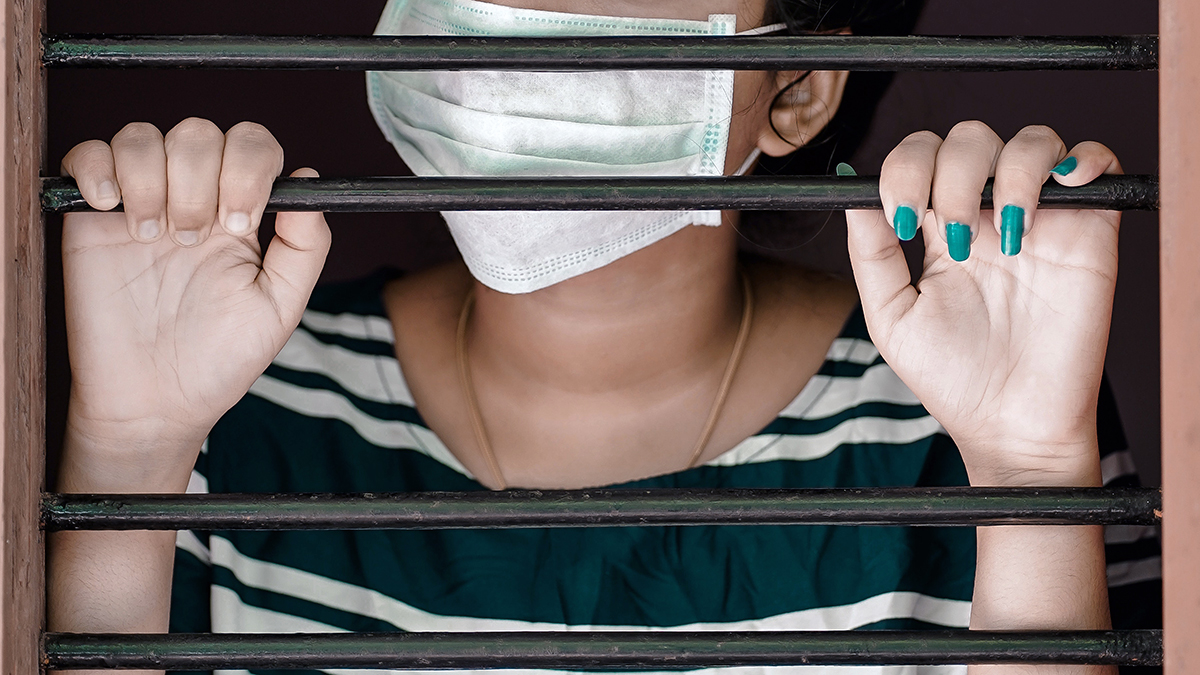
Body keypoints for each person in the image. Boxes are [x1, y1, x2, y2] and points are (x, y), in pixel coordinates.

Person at [48, 0, 1161, 673]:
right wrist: (131, 453)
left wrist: (1027, 477)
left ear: (799, 91)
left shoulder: (966, 422)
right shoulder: (235, 404)